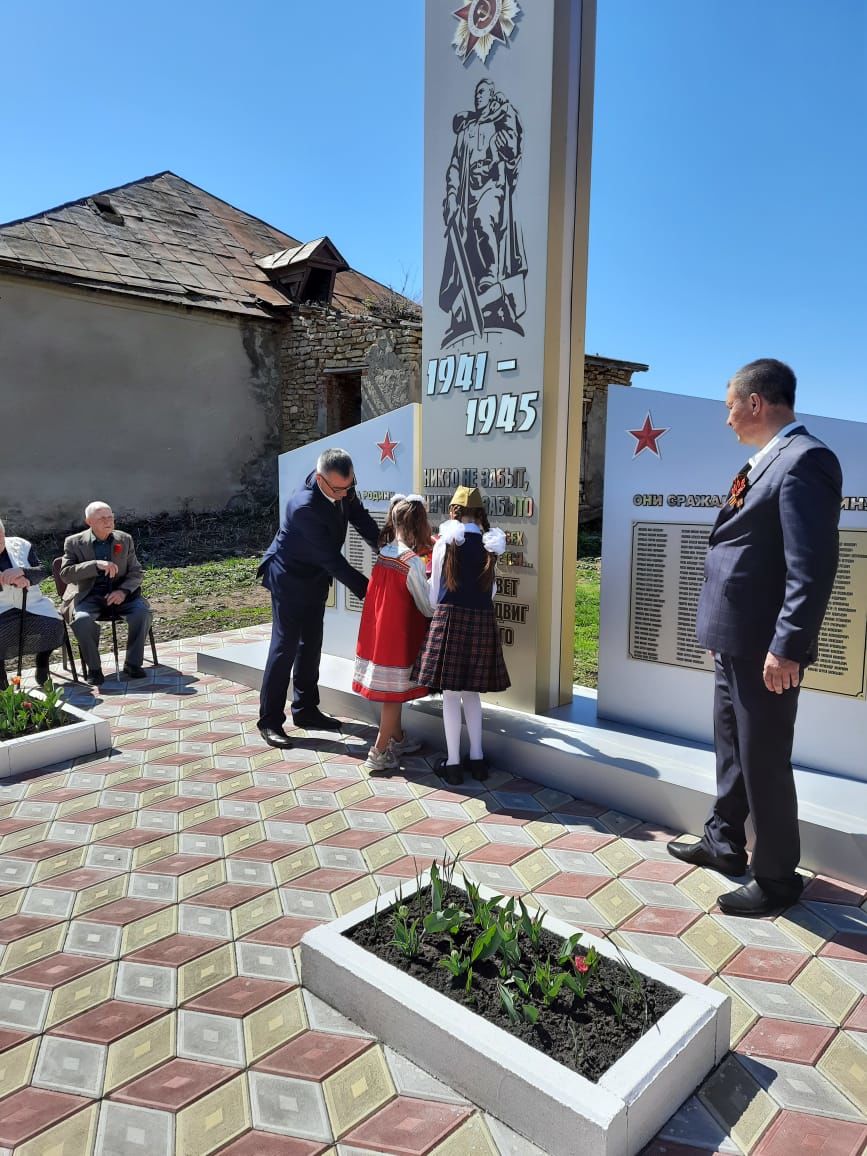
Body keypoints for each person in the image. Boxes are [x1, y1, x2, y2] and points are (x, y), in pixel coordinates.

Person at [668, 359, 842, 916]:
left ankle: (775, 878)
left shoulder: (804, 461)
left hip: (766, 646)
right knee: (732, 748)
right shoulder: (765, 461)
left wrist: (788, 644)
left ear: (757, 402)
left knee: (764, 757)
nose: (727, 420)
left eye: (729, 407)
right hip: (734, 637)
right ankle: (724, 842)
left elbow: (810, 565)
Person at [257, 448, 380, 748]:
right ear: (321, 479)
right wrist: (372, 591)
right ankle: (270, 721)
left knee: (311, 644)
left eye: (349, 487)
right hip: (288, 578)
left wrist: (387, 551)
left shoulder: (343, 488)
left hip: (313, 578)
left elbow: (361, 519)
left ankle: (306, 710)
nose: (345, 494)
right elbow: (333, 560)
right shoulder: (303, 507)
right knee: (284, 647)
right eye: (339, 489)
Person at [415, 485, 510, 785]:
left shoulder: (447, 541)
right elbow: (491, 590)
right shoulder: (490, 544)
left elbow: (434, 589)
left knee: (451, 695)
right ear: (480, 513)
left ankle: (454, 763)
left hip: (450, 617)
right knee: (471, 693)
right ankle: (478, 759)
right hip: (481, 618)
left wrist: (439, 609)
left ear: (454, 511)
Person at [440, 77, 527, 344]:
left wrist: (506, 119)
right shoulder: (466, 130)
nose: (478, 96)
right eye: (476, 92)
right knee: (466, 239)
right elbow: (454, 167)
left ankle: (490, 278)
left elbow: (512, 148)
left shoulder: (502, 117)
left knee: (483, 222)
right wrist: (453, 197)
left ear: (492, 95)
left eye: (483, 92)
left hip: (492, 186)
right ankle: (472, 290)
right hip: (468, 193)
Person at [352, 495, 435, 772]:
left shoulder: (385, 552)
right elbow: (426, 606)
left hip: (379, 636)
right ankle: (379, 751)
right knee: (392, 697)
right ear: (418, 525)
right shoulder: (411, 562)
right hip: (398, 639)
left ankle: (398, 738)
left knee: (391, 695)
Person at [60, 502, 153, 687]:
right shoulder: (74, 542)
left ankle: (132, 664)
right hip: (88, 595)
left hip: (120, 595)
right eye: (102, 518)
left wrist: (123, 591)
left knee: (142, 613)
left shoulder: (124, 539)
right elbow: (66, 574)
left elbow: (136, 572)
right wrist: (95, 565)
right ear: (89, 521)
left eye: (110, 517)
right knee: (82, 620)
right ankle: (94, 669)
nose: (108, 521)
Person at [0, 518, 64, 688]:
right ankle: (1, 681)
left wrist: (24, 573)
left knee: (53, 626)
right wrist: (8, 580)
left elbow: (43, 570)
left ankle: (42, 664)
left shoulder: (20, 546)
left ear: (4, 534)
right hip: (1, 610)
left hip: (31, 604)